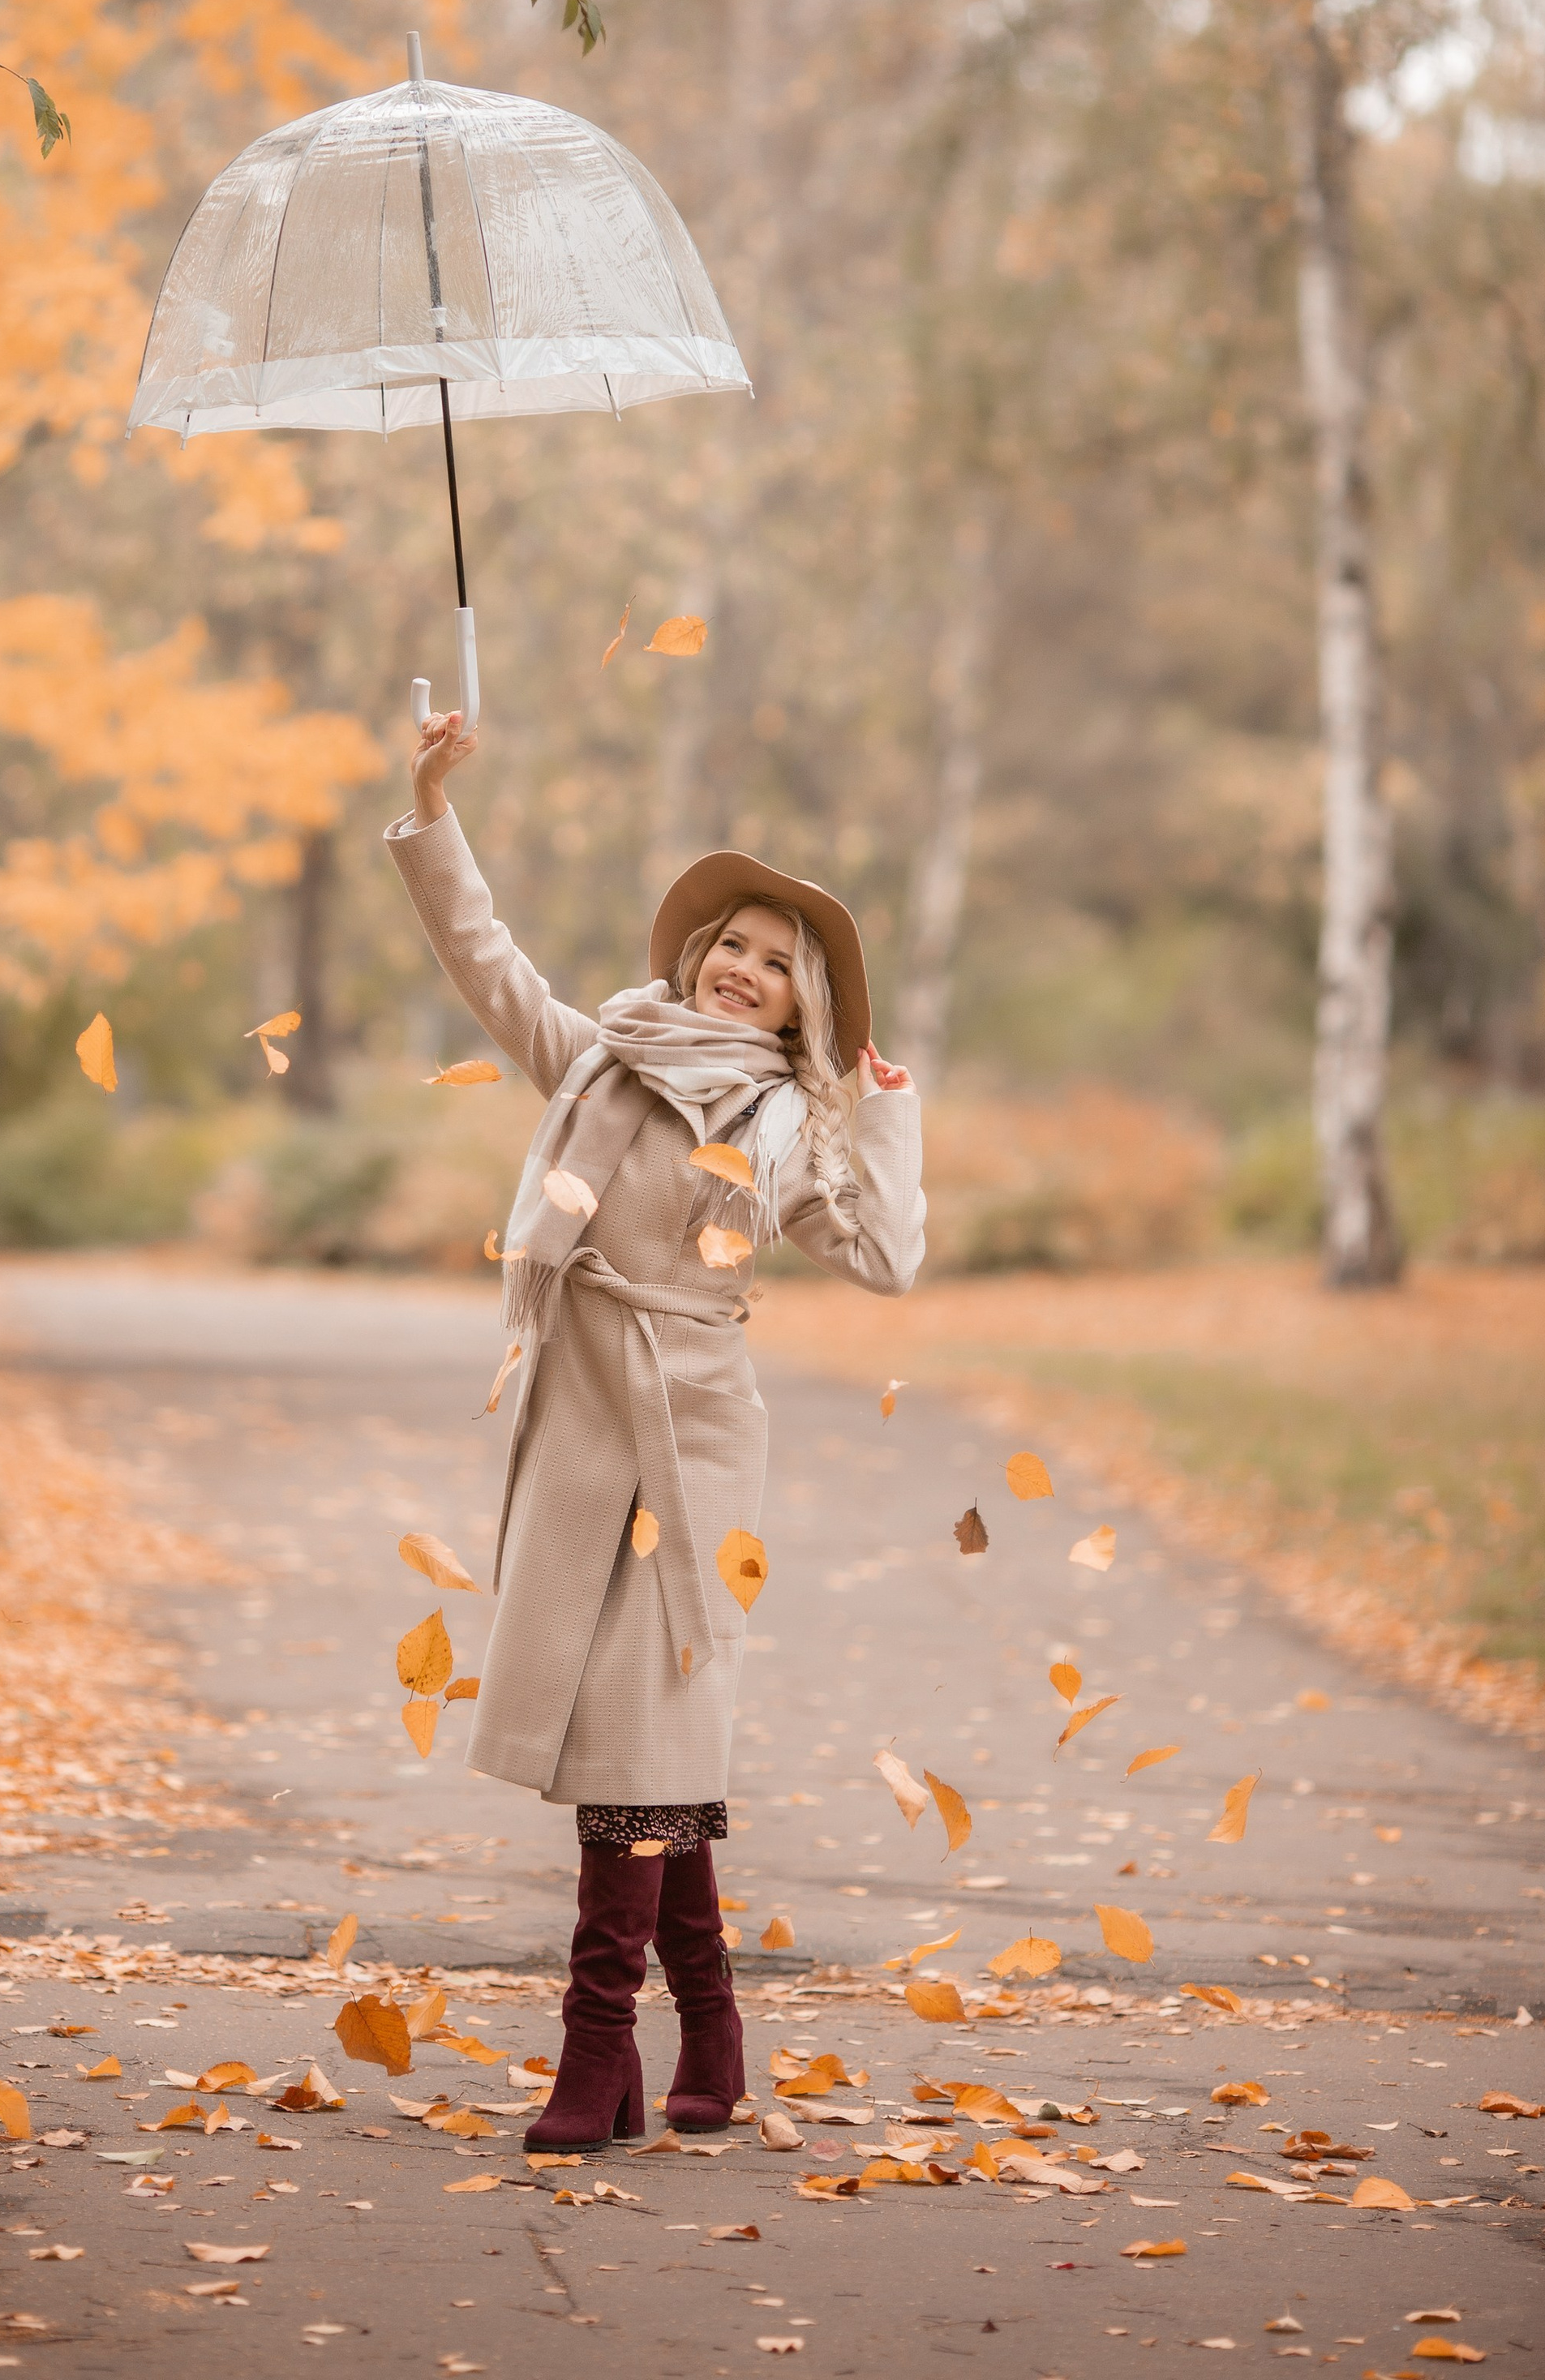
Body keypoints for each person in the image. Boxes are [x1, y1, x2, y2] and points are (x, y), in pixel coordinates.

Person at [388, 708, 925, 2153]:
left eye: (776, 965)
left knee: (642, 1726)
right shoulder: (595, 1057)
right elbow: (483, 957)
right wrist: (433, 801)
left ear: (803, 1010)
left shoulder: (783, 1131)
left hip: (689, 1434)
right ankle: (709, 2015)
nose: (742, 970)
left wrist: (881, 1121)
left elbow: (885, 1260)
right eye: (731, 946)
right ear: (697, 957)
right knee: (637, 1742)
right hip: (574, 1415)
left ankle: (596, 2049)